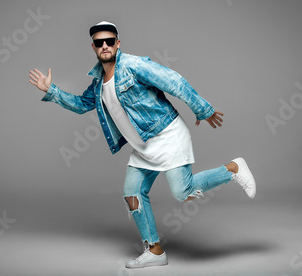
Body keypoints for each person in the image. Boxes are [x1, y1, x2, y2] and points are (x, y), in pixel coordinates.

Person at [28, 21, 256, 269]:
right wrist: (51, 90)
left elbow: (173, 81)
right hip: (143, 147)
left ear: (118, 43)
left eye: (109, 41)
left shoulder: (134, 65)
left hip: (167, 135)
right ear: (93, 47)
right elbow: (82, 104)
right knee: (132, 195)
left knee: (183, 192)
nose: (104, 46)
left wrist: (203, 109)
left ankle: (233, 168)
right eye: (98, 42)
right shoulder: (97, 83)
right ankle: (155, 251)